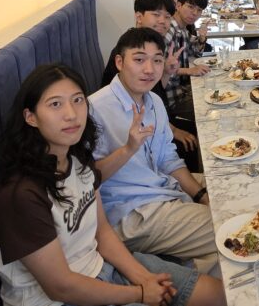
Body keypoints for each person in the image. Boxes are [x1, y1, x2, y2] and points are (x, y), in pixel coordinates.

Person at [0, 63, 224, 306]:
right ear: (31, 117)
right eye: (55, 104)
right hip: (59, 300)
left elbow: (103, 232)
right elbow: (61, 287)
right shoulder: (20, 196)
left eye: (77, 100)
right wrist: (140, 294)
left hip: (103, 267)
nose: (71, 114)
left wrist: (145, 279)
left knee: (219, 295)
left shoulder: (78, 162)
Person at [89, 28, 220, 275]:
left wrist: (201, 194)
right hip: (130, 212)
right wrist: (128, 149)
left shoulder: (153, 101)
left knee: (231, 189)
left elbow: (167, 157)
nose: (149, 69)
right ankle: (201, 287)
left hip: (161, 187)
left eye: (157, 60)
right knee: (227, 227)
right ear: (119, 62)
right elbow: (87, 180)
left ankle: (192, 272)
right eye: (139, 59)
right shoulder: (95, 109)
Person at [98, 0, 200, 172]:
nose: (163, 21)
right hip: (130, 131)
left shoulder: (153, 46)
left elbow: (154, 93)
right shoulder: (128, 52)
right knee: (194, 137)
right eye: (156, 14)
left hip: (157, 118)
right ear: (139, 17)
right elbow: (138, 110)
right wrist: (174, 130)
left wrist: (167, 72)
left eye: (167, 17)